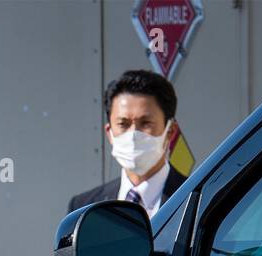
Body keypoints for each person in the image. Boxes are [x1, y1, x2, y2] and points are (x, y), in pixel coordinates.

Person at [68, 70, 187, 218]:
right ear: (109, 132)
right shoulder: (84, 207)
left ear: (170, 131)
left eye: (146, 123)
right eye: (123, 124)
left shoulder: (195, 199)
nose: (133, 135)